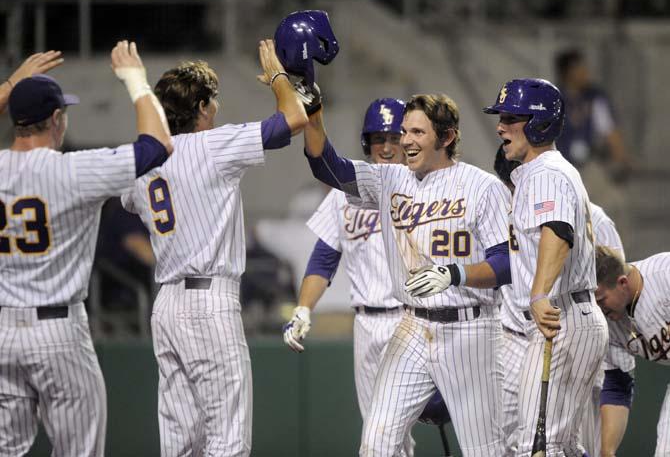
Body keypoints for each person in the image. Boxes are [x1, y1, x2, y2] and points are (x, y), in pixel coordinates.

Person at [120, 41, 308, 456]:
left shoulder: (144, 159)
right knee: (227, 438)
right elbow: (293, 118)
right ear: (202, 106)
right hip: (209, 303)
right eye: (213, 100)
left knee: (180, 442)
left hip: (166, 304)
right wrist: (278, 77)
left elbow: (130, 202)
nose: (216, 107)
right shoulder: (212, 145)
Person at [299, 86, 511, 455]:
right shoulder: (389, 180)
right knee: (377, 442)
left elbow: (506, 263)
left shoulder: (484, 187)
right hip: (412, 326)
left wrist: (454, 274)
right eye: (404, 133)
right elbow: (326, 164)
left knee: (486, 449)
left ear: (446, 137)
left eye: (417, 133)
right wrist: (313, 109)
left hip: (471, 328)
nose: (406, 142)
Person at [0, 41, 172, 456]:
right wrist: (136, 80)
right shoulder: (74, 170)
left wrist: (9, 86)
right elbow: (157, 145)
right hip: (58, 331)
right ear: (56, 119)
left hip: (3, 331)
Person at [284, 98, 422, 455]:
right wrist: (303, 308)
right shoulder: (345, 192)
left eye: (394, 137)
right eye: (379, 139)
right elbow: (324, 258)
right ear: (366, 143)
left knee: (382, 437)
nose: (387, 147)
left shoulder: (424, 187)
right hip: (365, 324)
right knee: (382, 433)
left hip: (413, 320)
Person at [482, 78, 608, 456]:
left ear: (539, 122)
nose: (501, 126)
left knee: (541, 446)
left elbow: (558, 232)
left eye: (510, 117)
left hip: (561, 315)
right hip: (566, 315)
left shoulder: (547, 173)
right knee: (561, 445)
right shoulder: (539, 173)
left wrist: (538, 293)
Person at [492, 143, 627, 457]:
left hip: (564, 319)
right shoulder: (510, 210)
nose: (515, 190)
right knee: (544, 444)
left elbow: (613, 280)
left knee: (548, 444)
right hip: (521, 332)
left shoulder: (588, 214)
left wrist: (540, 294)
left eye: (516, 182)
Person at [594, 246, 670, 456]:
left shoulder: (664, 274)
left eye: (601, 300)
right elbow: (618, 385)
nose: (599, 309)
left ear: (622, 283)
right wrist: (607, 451)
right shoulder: (608, 323)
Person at [555, 48, 632, 245]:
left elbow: (609, 130)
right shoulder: (553, 98)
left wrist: (620, 159)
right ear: (568, 72)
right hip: (561, 169)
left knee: (615, 206)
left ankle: (615, 260)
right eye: (580, 68)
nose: (586, 72)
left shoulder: (594, 97)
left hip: (588, 166)